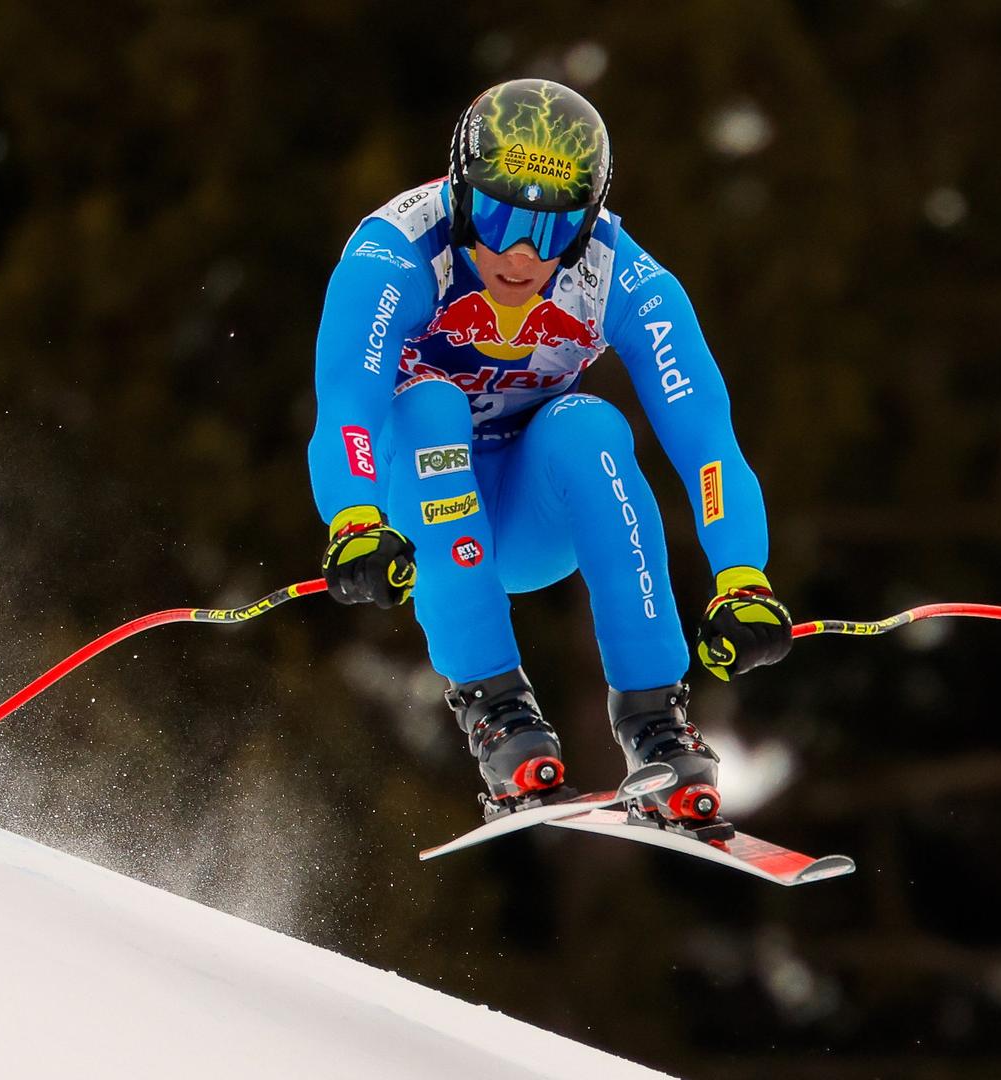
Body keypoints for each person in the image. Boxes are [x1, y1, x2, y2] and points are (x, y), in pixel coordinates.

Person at [307, 78, 795, 838]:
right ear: (463, 194)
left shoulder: (616, 274)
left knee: (589, 425)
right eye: (499, 217)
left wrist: (742, 577)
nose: (522, 253)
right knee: (428, 403)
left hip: (536, 516)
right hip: (427, 507)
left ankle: (656, 722)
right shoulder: (397, 252)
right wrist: (354, 518)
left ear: (589, 221)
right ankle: (497, 711)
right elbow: (347, 403)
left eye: (555, 228)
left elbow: (706, 440)